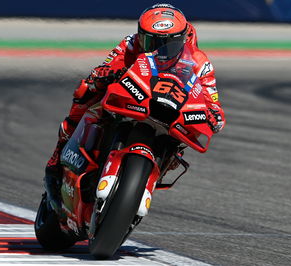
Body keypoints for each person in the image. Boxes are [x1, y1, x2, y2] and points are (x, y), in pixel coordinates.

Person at [44, 3, 226, 213]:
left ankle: (144, 179)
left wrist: (213, 115)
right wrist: (101, 77)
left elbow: (212, 102)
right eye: (150, 40)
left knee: (179, 151)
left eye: (165, 43)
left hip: (168, 112)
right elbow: (105, 67)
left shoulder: (200, 62)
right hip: (132, 98)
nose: (155, 48)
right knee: (85, 91)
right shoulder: (131, 44)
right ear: (140, 34)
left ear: (181, 39)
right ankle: (56, 160)